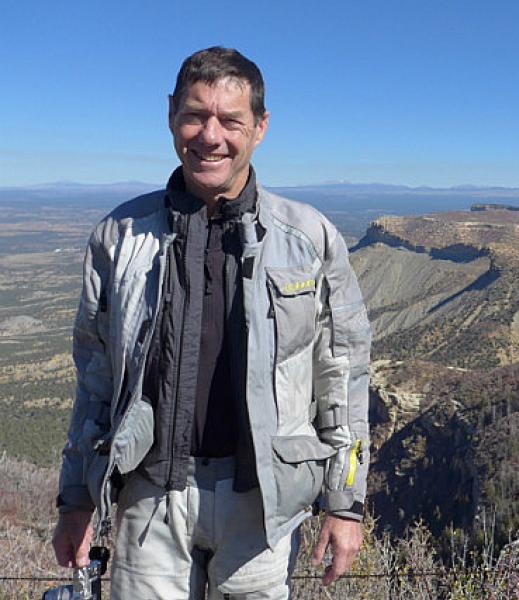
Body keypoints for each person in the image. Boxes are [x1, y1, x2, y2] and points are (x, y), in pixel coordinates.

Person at [50, 46, 371, 599]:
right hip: (148, 499)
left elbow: (342, 375)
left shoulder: (309, 239)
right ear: (171, 114)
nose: (210, 136)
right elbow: (95, 379)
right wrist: (76, 497)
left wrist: (346, 503)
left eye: (231, 120)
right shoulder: (119, 236)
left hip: (261, 507)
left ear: (261, 127)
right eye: (196, 115)